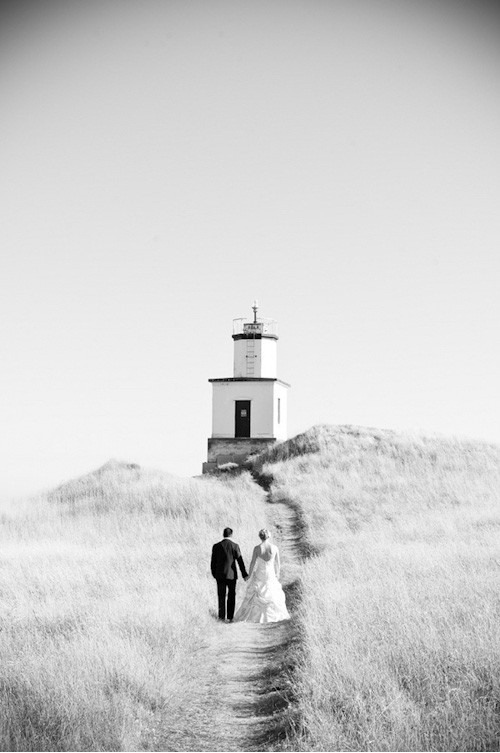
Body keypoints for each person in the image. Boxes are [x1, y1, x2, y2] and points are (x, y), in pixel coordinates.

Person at [234, 528, 290, 623]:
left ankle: (254, 616)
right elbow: (278, 563)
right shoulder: (274, 548)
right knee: (272, 592)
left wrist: (249, 575)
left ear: (260, 537)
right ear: (268, 536)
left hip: (260, 572)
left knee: (256, 592)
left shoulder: (257, 548)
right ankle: (274, 615)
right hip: (271, 573)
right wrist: (278, 573)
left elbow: (252, 563)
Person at [211, 527, 248, 622]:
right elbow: (240, 561)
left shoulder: (216, 546)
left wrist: (214, 574)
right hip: (231, 575)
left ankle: (221, 617)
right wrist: (244, 574)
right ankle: (230, 617)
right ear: (231, 535)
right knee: (231, 595)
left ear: (223, 534)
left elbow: (213, 562)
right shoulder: (235, 546)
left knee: (221, 595)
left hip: (219, 575)